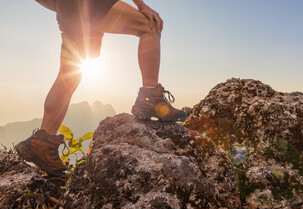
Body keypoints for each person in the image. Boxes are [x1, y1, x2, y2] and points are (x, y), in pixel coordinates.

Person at [15, 0, 187, 176]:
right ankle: (150, 98)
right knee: (149, 26)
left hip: (66, 8)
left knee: (69, 75)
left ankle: (42, 142)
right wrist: (141, 5)